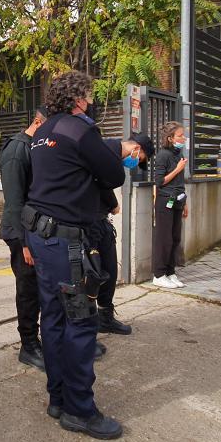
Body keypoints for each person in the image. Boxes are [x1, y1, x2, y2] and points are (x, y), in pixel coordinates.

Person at [23, 70, 126, 440]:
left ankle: (57, 398)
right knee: (80, 321)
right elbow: (114, 173)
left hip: (42, 237)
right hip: (67, 244)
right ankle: (80, 410)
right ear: (80, 98)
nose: (93, 101)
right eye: (90, 95)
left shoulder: (44, 131)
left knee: (52, 318)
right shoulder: (81, 130)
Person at [0, 108, 47, 371]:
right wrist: (25, 241)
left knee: (41, 289)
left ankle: (42, 339)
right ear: (37, 122)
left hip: (37, 229)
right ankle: (28, 345)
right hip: (21, 233)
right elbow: (15, 201)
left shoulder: (37, 147)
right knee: (28, 289)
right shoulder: (18, 150)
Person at [94, 134, 154, 339]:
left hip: (101, 221)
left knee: (109, 270)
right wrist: (113, 203)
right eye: (141, 158)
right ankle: (85, 326)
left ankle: (105, 317)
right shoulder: (105, 150)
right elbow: (97, 181)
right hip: (87, 221)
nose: (135, 162)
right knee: (91, 275)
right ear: (136, 148)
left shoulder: (113, 156)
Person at [150, 122, 189, 288]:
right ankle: (158, 275)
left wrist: (185, 202)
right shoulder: (163, 155)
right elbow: (159, 181)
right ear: (170, 138)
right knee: (163, 239)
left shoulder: (178, 153)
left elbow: (180, 182)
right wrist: (178, 169)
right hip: (165, 201)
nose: (183, 138)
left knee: (175, 238)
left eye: (183, 135)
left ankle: (170, 272)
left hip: (178, 200)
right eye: (180, 135)